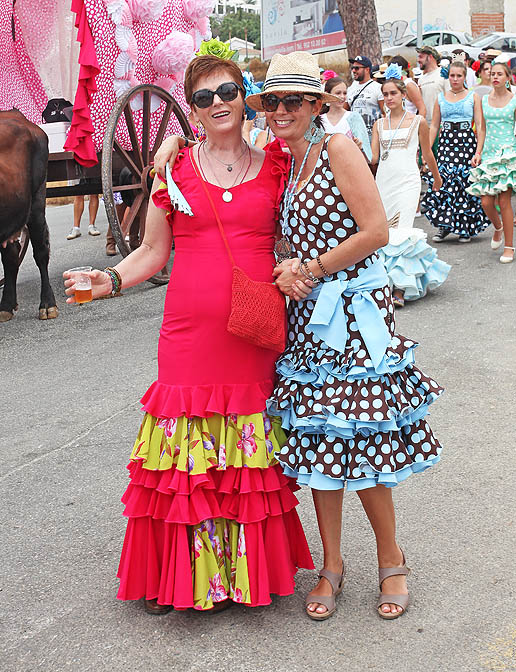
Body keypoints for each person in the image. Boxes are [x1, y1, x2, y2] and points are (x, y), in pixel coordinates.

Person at [64, 53, 314, 614]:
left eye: (227, 91)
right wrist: (108, 278)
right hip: (186, 336)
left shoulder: (276, 162)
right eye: (203, 97)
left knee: (243, 461)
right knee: (184, 459)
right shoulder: (172, 171)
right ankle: (182, 578)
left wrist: (297, 265)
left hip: (250, 334)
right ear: (192, 111)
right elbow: (153, 251)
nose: (218, 103)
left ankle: (238, 579)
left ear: (245, 94)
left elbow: (301, 226)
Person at [246, 52, 444, 621]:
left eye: (293, 101)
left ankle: (392, 559)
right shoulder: (291, 158)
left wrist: (310, 270)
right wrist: (289, 265)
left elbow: (377, 229)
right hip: (310, 320)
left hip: (354, 317)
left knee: (362, 444)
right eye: (274, 101)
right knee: (318, 447)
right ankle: (331, 565)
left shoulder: (336, 146)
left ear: (315, 105)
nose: (281, 110)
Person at [371, 70, 449, 307]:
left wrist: (437, 178)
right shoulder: (378, 124)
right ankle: (384, 282)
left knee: (402, 232)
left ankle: (401, 288)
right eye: (385, 94)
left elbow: (427, 153)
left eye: (393, 93)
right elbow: (373, 158)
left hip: (408, 182)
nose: (389, 97)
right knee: (383, 234)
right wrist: (357, 146)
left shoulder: (418, 122)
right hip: (383, 183)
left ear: (403, 95)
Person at [421, 60, 490, 243]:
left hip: (466, 143)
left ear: (464, 77)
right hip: (446, 144)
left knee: (464, 184)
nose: (455, 79)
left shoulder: (473, 96)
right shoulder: (441, 97)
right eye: (452, 75)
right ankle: (444, 226)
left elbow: (481, 127)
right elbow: (434, 125)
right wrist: (427, 150)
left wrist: (478, 151)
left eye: (459, 75)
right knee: (444, 183)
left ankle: (465, 228)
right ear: (448, 76)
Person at [467, 61, 516, 263]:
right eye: (492, 73)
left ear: (507, 78)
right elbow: (482, 129)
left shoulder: (514, 100)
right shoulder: (484, 100)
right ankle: (498, 227)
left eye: (499, 74)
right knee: (486, 202)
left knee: (504, 201)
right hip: (488, 154)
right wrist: (478, 152)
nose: (495, 76)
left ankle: (509, 247)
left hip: (508, 153)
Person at [322, 76, 372, 161]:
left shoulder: (353, 117)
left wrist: (359, 147)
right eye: (338, 93)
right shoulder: (320, 120)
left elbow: (367, 154)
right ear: (328, 94)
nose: (342, 96)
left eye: (345, 93)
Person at [345, 55, 384, 139]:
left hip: (373, 136)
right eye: (352, 68)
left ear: (367, 70)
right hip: (355, 137)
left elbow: (384, 113)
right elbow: (344, 112)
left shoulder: (378, 88)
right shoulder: (350, 89)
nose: (353, 71)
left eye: (357, 68)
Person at [416, 46, 445, 128]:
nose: (418, 60)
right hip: (426, 125)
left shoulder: (443, 74)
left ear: (430, 57)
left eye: (421, 57)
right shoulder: (421, 79)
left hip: (441, 125)